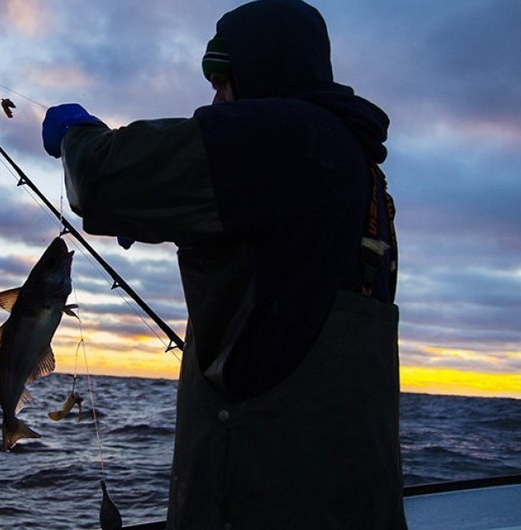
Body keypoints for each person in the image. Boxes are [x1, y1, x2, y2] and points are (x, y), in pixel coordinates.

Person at [41, 1, 406, 528]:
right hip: (353, 494)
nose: (215, 98)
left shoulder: (277, 132)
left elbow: (101, 180)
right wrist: (166, 215)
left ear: (262, 67)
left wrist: (79, 134)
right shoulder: (356, 166)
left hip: (258, 491)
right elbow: (280, 271)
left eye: (224, 79)